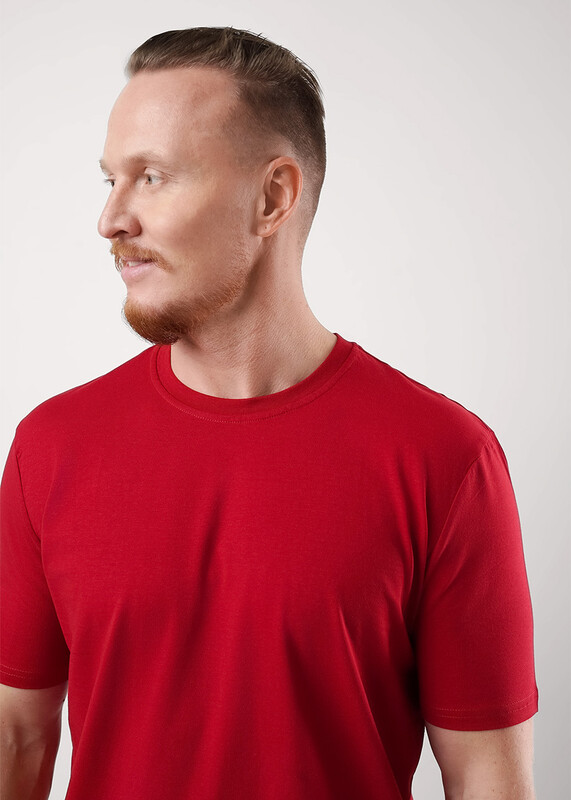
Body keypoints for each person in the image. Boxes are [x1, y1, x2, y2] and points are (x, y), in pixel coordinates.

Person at [0, 27, 538, 800]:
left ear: (272, 197)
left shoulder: (444, 457)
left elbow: (486, 776)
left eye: (151, 177)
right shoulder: (51, 447)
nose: (111, 219)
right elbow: (16, 735)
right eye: (111, 179)